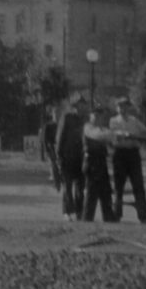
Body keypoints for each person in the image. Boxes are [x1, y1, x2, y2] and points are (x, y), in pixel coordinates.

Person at [109, 96, 146, 224]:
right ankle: (116, 214)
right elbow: (115, 134)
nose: (123, 108)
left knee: (138, 185)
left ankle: (143, 215)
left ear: (128, 107)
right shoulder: (113, 121)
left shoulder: (134, 121)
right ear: (117, 108)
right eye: (120, 106)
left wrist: (138, 138)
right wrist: (126, 135)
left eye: (125, 106)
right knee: (119, 186)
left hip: (133, 154)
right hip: (120, 154)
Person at [55, 93, 88, 221]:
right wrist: (59, 157)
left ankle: (80, 212)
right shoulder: (67, 117)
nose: (81, 106)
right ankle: (67, 212)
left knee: (80, 187)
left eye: (82, 104)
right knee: (67, 187)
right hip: (67, 157)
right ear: (74, 105)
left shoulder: (85, 119)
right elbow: (60, 138)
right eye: (79, 104)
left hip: (80, 158)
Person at [82, 106, 117, 222]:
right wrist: (112, 135)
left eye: (100, 116)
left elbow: (112, 142)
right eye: (95, 116)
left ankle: (109, 219)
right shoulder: (88, 127)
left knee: (106, 192)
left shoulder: (104, 130)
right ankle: (87, 219)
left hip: (102, 163)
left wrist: (113, 136)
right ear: (90, 116)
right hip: (91, 163)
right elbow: (98, 135)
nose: (98, 118)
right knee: (92, 193)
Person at [40, 106, 61, 191]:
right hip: (51, 148)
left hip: (61, 148)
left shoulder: (62, 124)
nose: (56, 115)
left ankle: (61, 180)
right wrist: (46, 150)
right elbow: (44, 139)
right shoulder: (48, 125)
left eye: (58, 113)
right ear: (52, 115)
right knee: (54, 165)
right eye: (55, 113)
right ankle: (56, 183)